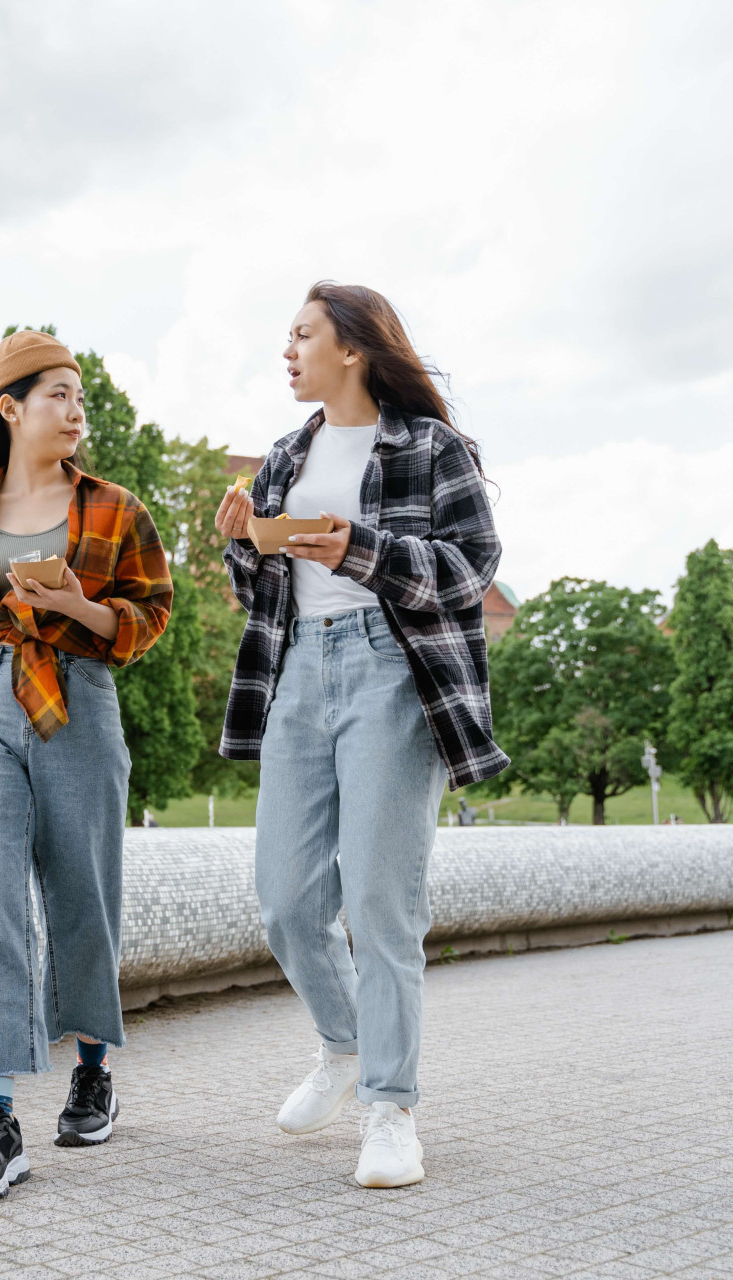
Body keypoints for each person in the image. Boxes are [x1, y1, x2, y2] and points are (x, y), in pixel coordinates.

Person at [214, 282, 507, 1189]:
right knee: (286, 900)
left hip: (392, 669)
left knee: (381, 902)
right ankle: (344, 1045)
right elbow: (259, 591)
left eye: (302, 335)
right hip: (300, 671)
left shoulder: (431, 447)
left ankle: (391, 1107)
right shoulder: (283, 455)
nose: (288, 350)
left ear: (353, 348)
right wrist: (245, 545)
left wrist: (356, 549)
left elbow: (472, 568)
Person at [0, 330, 172, 1202]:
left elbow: (149, 616)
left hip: (78, 694)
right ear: (10, 408)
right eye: (57, 393)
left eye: (79, 393)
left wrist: (77, 606)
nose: (75, 408)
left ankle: (92, 1070)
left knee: (83, 895)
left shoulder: (116, 508)